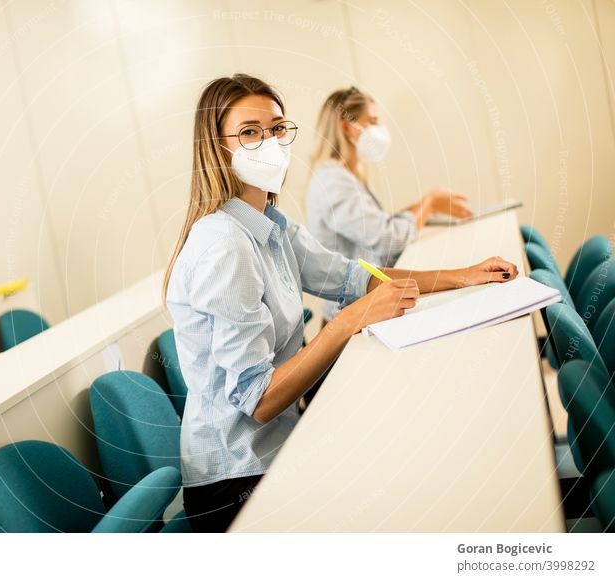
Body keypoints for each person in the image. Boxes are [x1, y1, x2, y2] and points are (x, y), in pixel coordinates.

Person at [163, 74, 518, 533]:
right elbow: (259, 400)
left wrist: (463, 276)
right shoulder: (224, 245)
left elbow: (356, 278)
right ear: (217, 147)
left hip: (279, 445)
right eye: (250, 132)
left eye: (276, 128)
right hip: (237, 481)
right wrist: (348, 322)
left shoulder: (269, 224)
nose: (269, 142)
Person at [306, 87, 473, 321]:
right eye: (372, 121)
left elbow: (380, 225)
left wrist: (423, 205)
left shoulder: (346, 175)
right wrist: (430, 203)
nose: (378, 129)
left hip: (368, 302)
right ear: (346, 127)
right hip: (351, 316)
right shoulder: (333, 182)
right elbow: (388, 240)